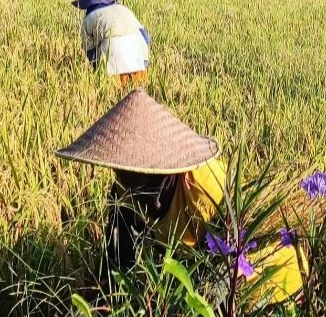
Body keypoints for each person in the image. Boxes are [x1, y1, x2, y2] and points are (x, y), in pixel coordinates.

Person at [56, 88, 300, 302]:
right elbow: (118, 259)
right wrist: (103, 296)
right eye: (119, 168)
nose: (121, 177)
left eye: (131, 170)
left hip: (269, 282)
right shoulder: (125, 189)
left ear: (157, 168)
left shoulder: (205, 191)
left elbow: (223, 272)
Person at [73, 0, 150, 85]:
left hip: (113, 66)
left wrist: (98, 74)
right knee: (138, 90)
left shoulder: (88, 19)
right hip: (138, 60)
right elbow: (146, 38)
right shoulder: (124, 9)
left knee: (115, 92)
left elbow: (91, 54)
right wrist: (142, 62)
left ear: (86, 4)